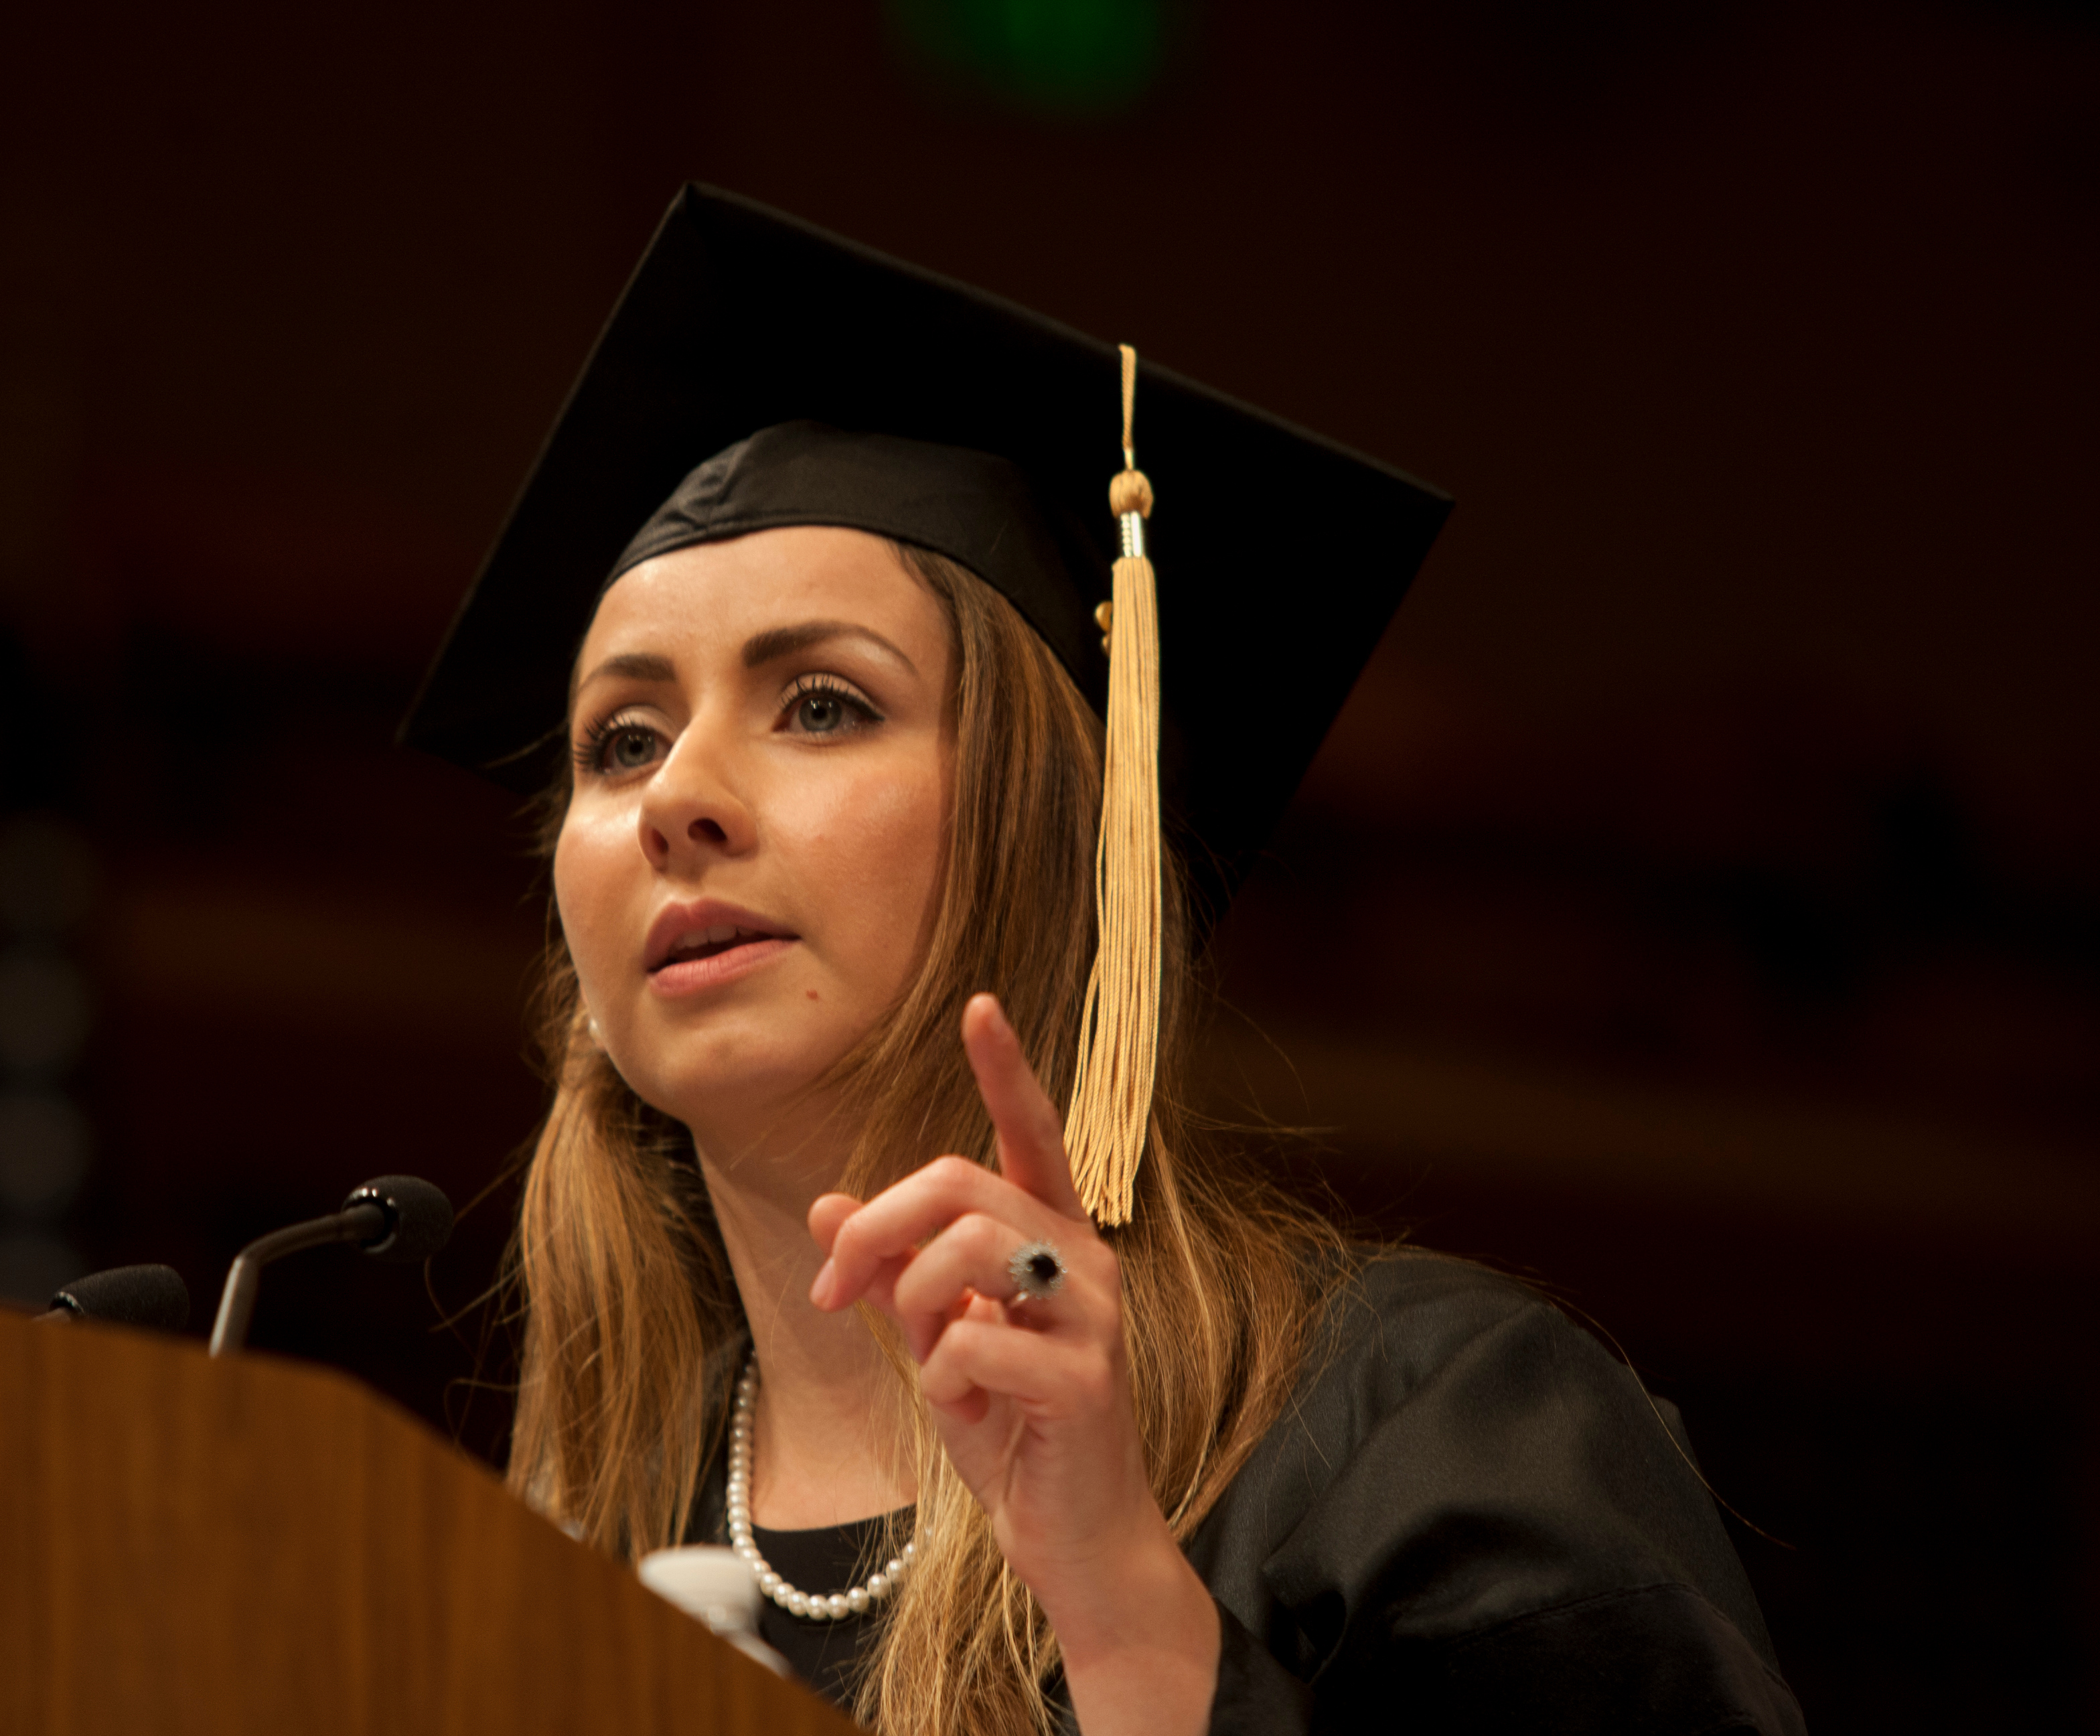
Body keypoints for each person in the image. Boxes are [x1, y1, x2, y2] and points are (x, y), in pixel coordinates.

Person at [402, 186, 1805, 1735]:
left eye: (822, 704)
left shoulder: (1426, 1434)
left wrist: (1131, 1620)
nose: (675, 801)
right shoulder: (551, 1563)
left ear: (1052, 828)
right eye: (622, 739)